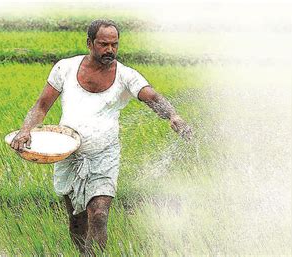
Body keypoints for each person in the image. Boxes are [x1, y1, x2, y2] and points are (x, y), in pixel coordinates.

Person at [10, 19, 192, 255]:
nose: (110, 50)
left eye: (114, 45)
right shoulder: (64, 68)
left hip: (104, 154)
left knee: (99, 214)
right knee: (77, 220)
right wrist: (26, 129)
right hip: (68, 154)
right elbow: (41, 106)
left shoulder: (126, 75)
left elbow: (152, 97)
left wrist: (173, 117)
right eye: (104, 44)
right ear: (90, 43)